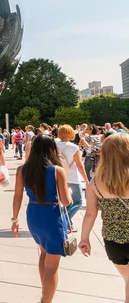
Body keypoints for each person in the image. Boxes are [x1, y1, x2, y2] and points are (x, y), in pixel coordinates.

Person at [11, 134, 72, 303]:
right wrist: (71, 194)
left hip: (34, 214)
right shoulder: (57, 171)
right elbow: (66, 201)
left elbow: (17, 197)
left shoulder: (22, 169)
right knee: (52, 264)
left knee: (43, 255)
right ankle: (46, 300)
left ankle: (45, 293)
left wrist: (14, 220)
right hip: (52, 215)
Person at [79, 134, 129, 302]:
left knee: (127, 279)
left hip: (113, 242)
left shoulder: (96, 182)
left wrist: (84, 238)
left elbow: (90, 214)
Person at [56, 124, 88, 231]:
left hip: (58, 177)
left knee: (64, 202)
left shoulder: (54, 144)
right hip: (73, 177)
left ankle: (68, 225)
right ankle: (64, 220)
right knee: (78, 202)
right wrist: (86, 180)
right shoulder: (74, 147)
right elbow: (79, 165)